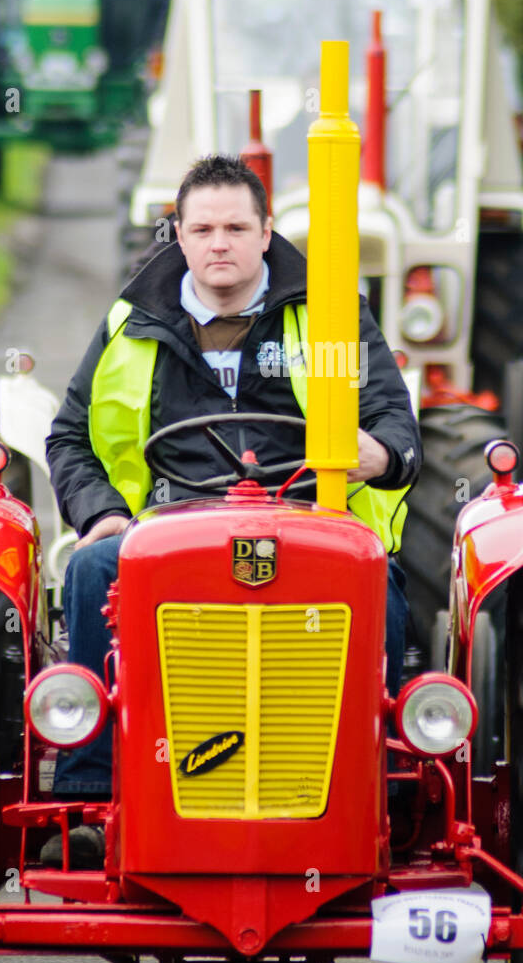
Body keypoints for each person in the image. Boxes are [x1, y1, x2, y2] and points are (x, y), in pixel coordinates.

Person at [42, 154, 421, 866]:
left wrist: (377, 453)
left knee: (382, 583)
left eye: (236, 227)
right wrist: (101, 517)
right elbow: (68, 435)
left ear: (266, 232)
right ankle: (86, 794)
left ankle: (387, 786)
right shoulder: (132, 321)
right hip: (169, 526)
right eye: (203, 228)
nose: (220, 243)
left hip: (308, 520)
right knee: (95, 567)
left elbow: (398, 430)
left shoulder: (331, 316)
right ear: (177, 236)